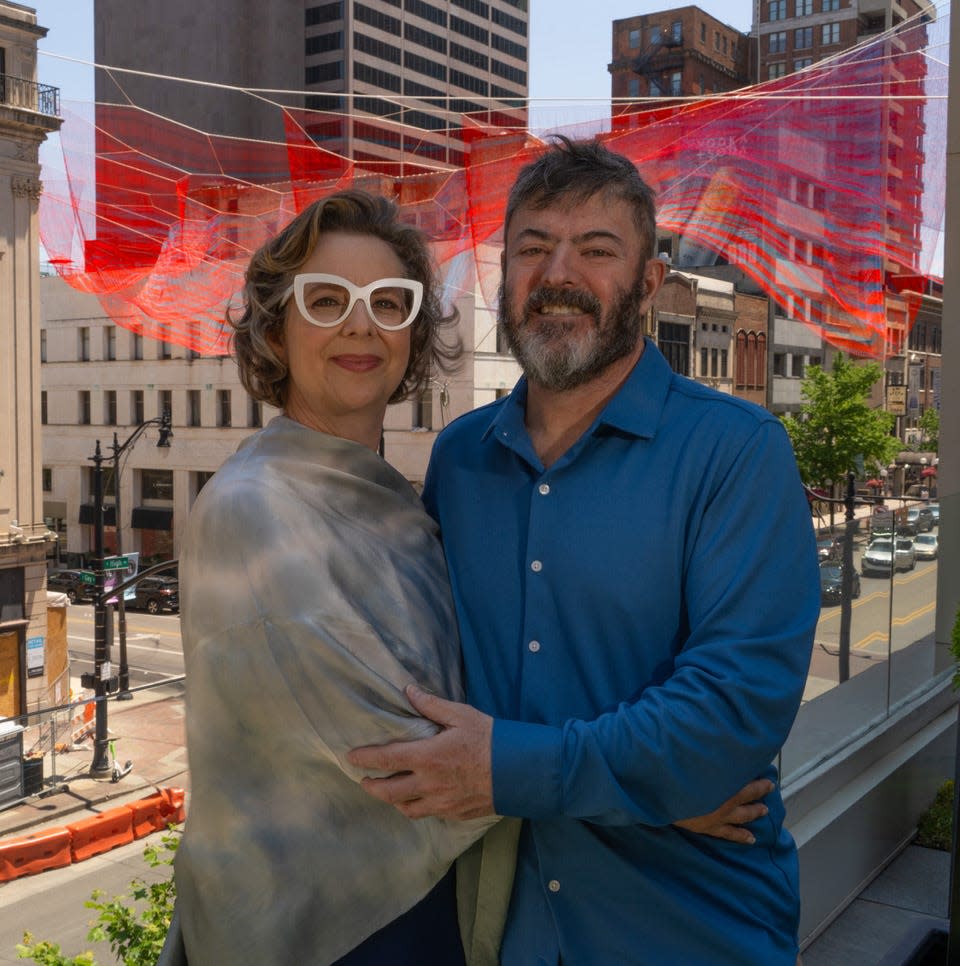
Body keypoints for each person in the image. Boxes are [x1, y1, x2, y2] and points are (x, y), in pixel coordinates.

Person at [348, 137, 821, 965]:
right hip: (498, 922)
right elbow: (430, 675)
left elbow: (729, 719)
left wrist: (527, 771)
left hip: (687, 927)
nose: (557, 274)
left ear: (649, 280)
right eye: (532, 248)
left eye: (596, 251)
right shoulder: (460, 460)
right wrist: (650, 790)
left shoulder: (737, 451)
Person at [172, 190, 494, 965]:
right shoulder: (253, 511)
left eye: (390, 302)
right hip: (323, 932)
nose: (361, 325)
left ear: (414, 335)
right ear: (276, 331)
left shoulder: (393, 499)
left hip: (425, 909)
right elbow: (410, 762)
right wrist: (645, 790)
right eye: (326, 301)